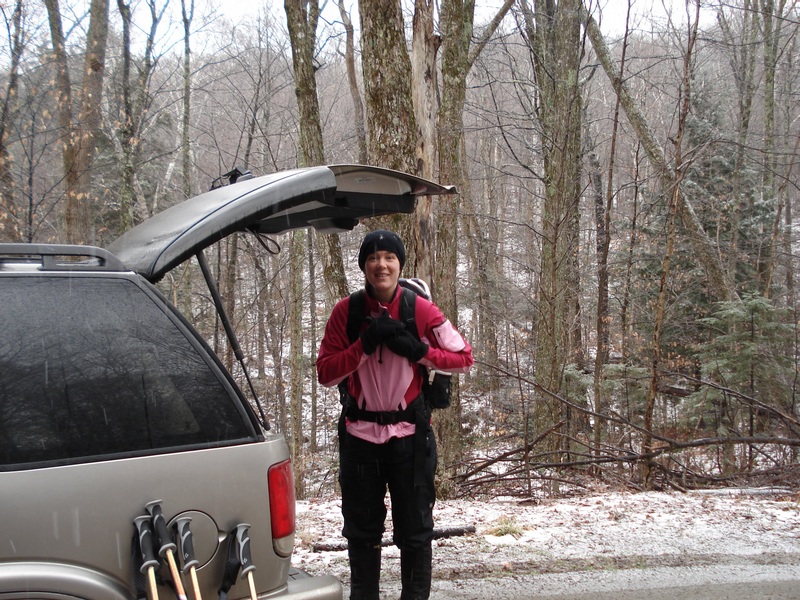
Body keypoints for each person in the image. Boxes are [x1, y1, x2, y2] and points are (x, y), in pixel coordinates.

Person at [316, 229, 474, 600]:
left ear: (400, 264)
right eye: (373, 257)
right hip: (360, 438)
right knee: (361, 531)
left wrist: (419, 350)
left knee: (415, 529)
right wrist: (364, 345)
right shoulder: (348, 311)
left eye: (389, 257)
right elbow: (326, 373)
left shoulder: (419, 309)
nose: (381, 264)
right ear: (364, 266)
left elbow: (464, 357)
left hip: (409, 438)